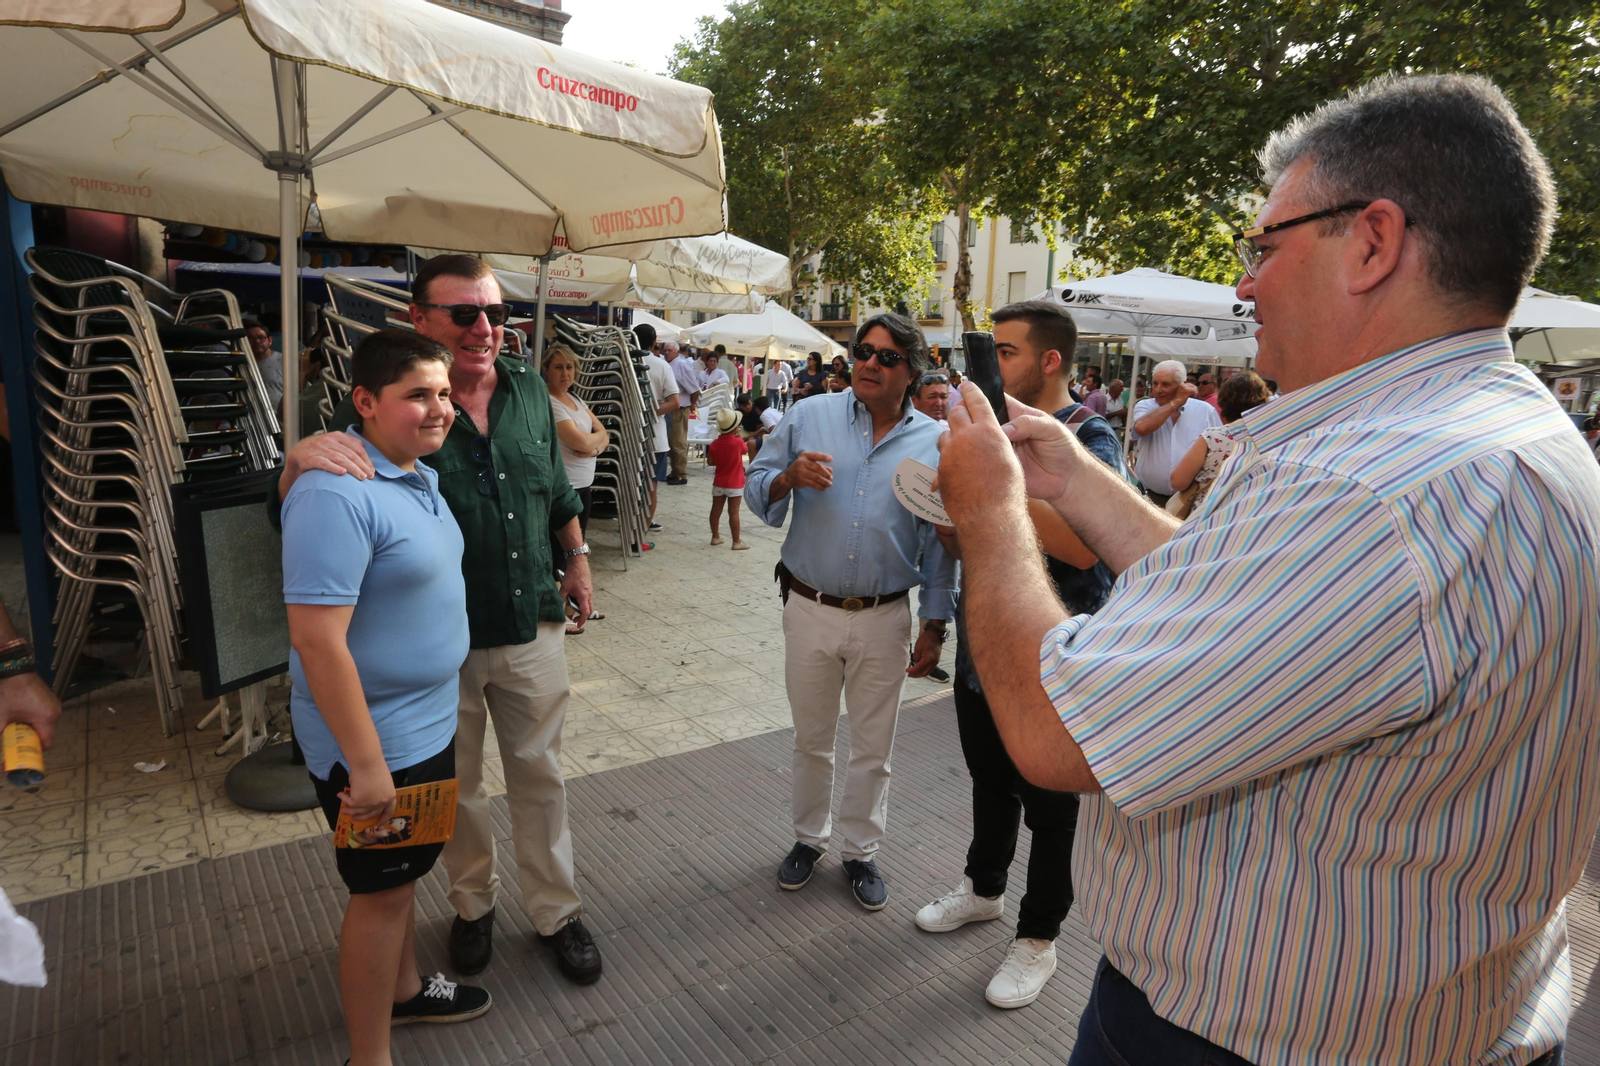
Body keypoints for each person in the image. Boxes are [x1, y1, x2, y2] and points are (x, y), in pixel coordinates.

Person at [936, 74, 1598, 1066]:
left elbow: (1051, 730)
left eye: (1264, 246)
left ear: (1371, 242)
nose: (1246, 282)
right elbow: (1249, 617)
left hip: (1238, 1039)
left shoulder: (1365, 489)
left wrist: (987, 515)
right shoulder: (1503, 437)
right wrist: (1071, 478)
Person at [275, 254, 603, 989]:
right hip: (440, 653)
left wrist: (576, 558)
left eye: (494, 313)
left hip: (530, 620)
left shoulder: (525, 390)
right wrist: (294, 463)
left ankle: (556, 912)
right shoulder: (387, 402)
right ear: (418, 318)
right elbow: (307, 507)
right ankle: (472, 906)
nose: (485, 328)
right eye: (463, 313)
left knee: (540, 775)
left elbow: (553, 486)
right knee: (455, 787)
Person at [282, 330, 492, 1066]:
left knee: (403, 884)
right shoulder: (335, 491)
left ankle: (404, 991)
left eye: (444, 393)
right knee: (380, 898)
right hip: (378, 747)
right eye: (417, 396)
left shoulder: (415, 473)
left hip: (424, 729)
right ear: (365, 403)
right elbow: (317, 641)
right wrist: (365, 767)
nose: (439, 409)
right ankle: (369, 1057)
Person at [916, 300, 1122, 1011]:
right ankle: (983, 890)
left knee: (1054, 808)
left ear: (1050, 359)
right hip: (986, 651)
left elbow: (1080, 544)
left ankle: (1039, 936)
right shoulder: (994, 435)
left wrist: (989, 490)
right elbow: (981, 537)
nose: (988, 364)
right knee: (988, 780)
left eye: (1004, 351)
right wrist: (959, 520)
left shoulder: (1090, 434)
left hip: (1058, 658)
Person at [745, 312, 955, 911]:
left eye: (886, 357)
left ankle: (861, 850)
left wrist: (935, 625)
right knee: (811, 739)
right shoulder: (810, 415)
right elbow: (756, 485)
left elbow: (943, 547)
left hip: (887, 615)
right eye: (863, 351)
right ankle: (808, 839)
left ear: (911, 372)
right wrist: (787, 476)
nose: (868, 363)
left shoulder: (934, 444)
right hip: (809, 606)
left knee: (873, 745)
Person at [545, 345, 609, 632]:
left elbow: (603, 434)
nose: (565, 373)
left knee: (576, 551)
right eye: (559, 367)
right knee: (560, 552)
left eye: (569, 367)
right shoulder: (549, 402)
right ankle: (558, 612)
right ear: (547, 369)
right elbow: (581, 442)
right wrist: (592, 444)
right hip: (564, 489)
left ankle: (574, 605)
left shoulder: (575, 399)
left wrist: (594, 446)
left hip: (584, 485)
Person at [1167, 371, 1272, 516]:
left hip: (1206, 518)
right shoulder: (1273, 439)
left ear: (1223, 402)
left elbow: (1178, 481)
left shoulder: (1213, 436)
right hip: (1252, 516)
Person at [1129, 359, 1221, 507]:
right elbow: (1141, 428)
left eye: (1165, 384)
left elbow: (1219, 448)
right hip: (1149, 497)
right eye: (1155, 383)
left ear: (1182, 385)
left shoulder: (1205, 410)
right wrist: (1175, 402)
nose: (1158, 389)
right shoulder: (1145, 406)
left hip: (1190, 500)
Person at [635, 324, 675, 539]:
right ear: (654, 343)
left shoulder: (625, 365)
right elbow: (675, 401)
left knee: (631, 482)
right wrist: (652, 411)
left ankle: (631, 522)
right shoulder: (661, 366)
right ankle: (644, 525)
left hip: (629, 435)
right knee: (651, 484)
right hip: (655, 436)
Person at [706, 407, 750, 550]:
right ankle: (736, 541)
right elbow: (745, 450)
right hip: (735, 483)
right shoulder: (737, 443)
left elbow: (710, 462)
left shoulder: (714, 444)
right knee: (733, 512)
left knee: (716, 510)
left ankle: (715, 536)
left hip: (719, 482)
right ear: (736, 427)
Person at [664, 340, 699, 485]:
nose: (666, 353)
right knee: (672, 442)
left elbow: (695, 389)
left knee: (678, 442)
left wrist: (692, 404)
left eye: (669, 350)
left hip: (680, 408)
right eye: (665, 350)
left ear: (677, 352)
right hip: (670, 408)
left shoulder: (682, 365)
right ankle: (674, 471)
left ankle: (682, 474)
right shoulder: (668, 365)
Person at [246, 318, 285, 412]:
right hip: (254, 421)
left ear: (270, 341)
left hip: (281, 422)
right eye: (251, 338)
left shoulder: (285, 361)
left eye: (261, 337)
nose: (257, 341)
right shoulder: (242, 364)